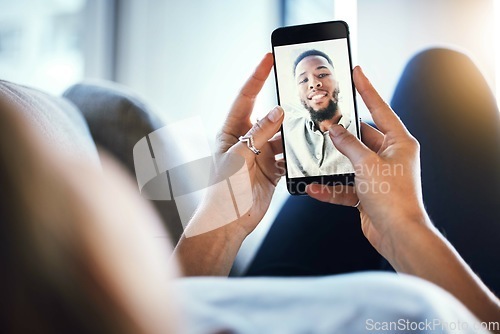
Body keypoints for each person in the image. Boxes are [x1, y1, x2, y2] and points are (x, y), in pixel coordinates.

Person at [1, 52, 498, 333]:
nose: (109, 180)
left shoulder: (150, 312)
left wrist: (221, 221)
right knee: (440, 78)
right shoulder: (411, 317)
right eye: (81, 179)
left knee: (433, 78)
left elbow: (170, 312)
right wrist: (407, 232)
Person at [284, 49, 356, 177]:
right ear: (298, 93)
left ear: (337, 83)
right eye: (303, 80)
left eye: (322, 75)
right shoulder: (286, 132)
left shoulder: (362, 135)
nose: (313, 84)